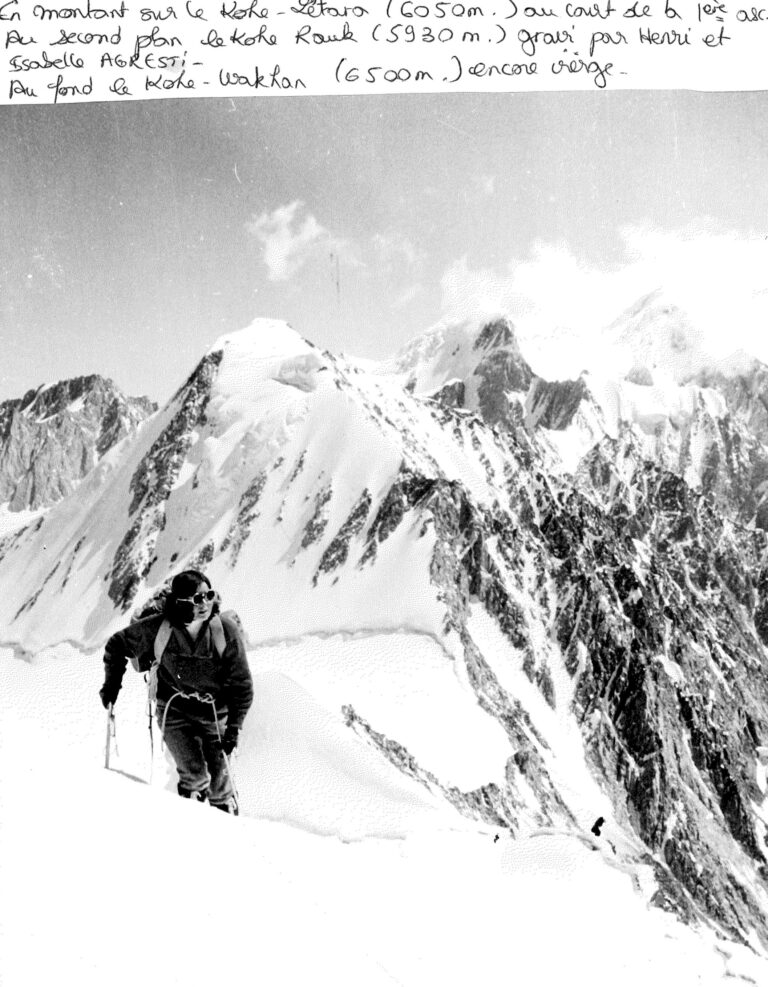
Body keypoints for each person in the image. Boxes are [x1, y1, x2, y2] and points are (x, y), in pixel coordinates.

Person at [99, 569, 253, 814]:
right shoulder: (160, 628)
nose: (205, 604)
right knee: (193, 777)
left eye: (208, 595)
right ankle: (191, 819)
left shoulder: (225, 631)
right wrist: (112, 684)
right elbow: (117, 645)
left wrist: (234, 728)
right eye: (197, 598)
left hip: (215, 715)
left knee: (220, 785)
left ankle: (226, 821)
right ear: (180, 602)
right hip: (174, 711)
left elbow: (242, 685)